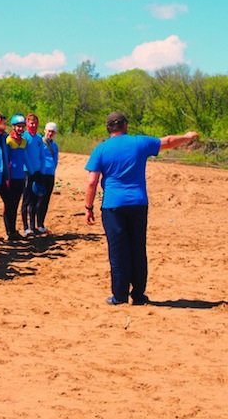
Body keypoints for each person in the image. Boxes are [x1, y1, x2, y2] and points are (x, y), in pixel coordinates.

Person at [85, 111, 199, 305]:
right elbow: (168, 141)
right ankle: (138, 294)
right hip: (138, 203)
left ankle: (119, 296)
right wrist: (187, 137)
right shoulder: (139, 142)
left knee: (118, 251)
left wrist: (88, 207)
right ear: (125, 126)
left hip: (113, 205)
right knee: (137, 248)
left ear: (108, 128)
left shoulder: (101, 149)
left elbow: (91, 182)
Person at [6, 114, 28, 240]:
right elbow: (7, 159)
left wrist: (31, 172)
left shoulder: (24, 141)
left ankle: (13, 230)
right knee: (9, 205)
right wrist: (7, 178)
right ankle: (10, 231)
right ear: (13, 127)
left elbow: (24, 159)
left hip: (20, 176)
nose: (20, 129)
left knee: (16, 204)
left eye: (22, 126)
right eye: (18, 126)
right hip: (11, 177)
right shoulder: (9, 140)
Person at [21, 113, 44, 236]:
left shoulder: (39, 138)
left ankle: (32, 226)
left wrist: (41, 169)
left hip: (37, 171)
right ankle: (25, 227)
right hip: (27, 172)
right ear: (27, 124)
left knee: (35, 200)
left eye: (35, 123)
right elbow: (24, 156)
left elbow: (41, 155)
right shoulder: (24, 137)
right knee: (26, 200)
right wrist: (30, 170)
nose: (33, 125)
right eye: (31, 123)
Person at [37, 122, 59, 234]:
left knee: (46, 200)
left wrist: (52, 170)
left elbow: (55, 160)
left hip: (50, 175)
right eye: (49, 131)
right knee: (38, 200)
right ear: (45, 130)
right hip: (41, 174)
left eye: (52, 132)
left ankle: (41, 224)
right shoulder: (40, 142)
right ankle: (35, 225)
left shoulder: (54, 146)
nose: (50, 133)